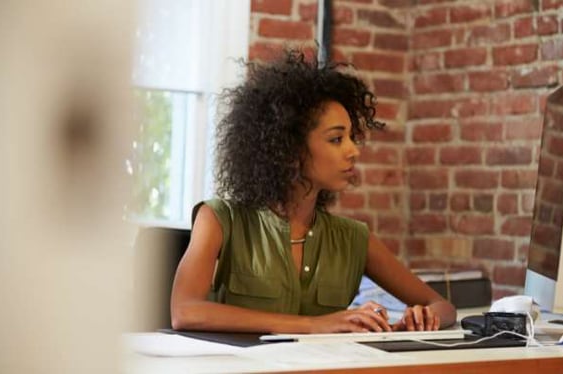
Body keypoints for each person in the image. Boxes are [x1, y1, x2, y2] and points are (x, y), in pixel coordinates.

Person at [170, 49, 456, 334]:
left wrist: (421, 318)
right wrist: (312, 325)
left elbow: (442, 306)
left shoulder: (354, 238)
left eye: (351, 137)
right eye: (335, 139)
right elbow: (185, 311)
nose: (353, 150)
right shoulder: (219, 219)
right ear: (289, 148)